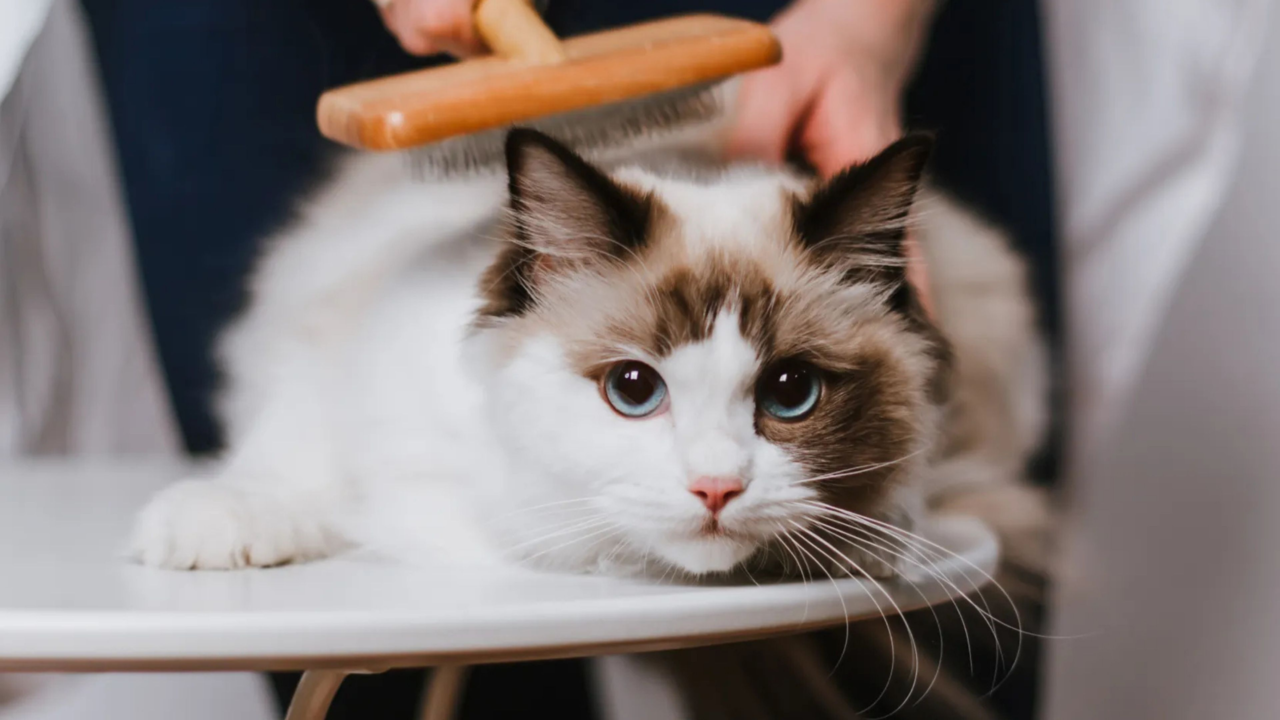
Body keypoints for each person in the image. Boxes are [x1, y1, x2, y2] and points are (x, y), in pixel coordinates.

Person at [80, 0, 1055, 717]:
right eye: (632, 385)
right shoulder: (401, 364)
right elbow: (325, 369)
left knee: (910, 677)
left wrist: (863, 24)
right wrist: (276, 488)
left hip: (804, 35)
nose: (714, 478)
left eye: (787, 390)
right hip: (292, 34)